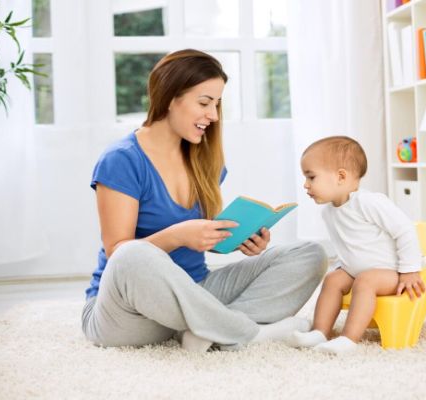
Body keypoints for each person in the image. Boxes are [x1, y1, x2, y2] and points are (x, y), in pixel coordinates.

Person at [81, 49, 327, 352]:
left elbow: (202, 237)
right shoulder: (122, 160)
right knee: (131, 254)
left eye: (217, 104)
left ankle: (206, 330)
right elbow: (117, 251)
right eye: (204, 102)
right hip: (127, 313)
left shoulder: (204, 160)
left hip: (194, 293)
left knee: (310, 253)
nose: (213, 115)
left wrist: (236, 239)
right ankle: (244, 333)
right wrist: (178, 236)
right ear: (171, 98)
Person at [288, 136, 426, 354]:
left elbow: (405, 230)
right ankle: (320, 332)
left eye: (311, 177)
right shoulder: (329, 212)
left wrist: (410, 270)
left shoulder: (369, 202)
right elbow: (352, 245)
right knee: (333, 279)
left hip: (393, 270)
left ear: (340, 176)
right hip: (358, 269)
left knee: (365, 281)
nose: (306, 185)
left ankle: (349, 339)